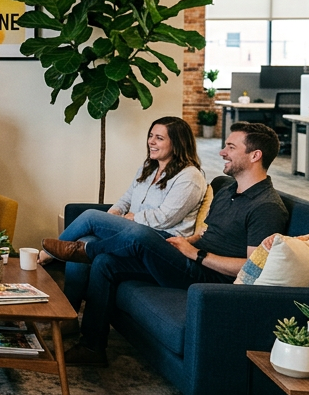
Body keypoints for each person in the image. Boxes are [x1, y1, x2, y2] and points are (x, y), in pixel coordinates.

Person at [65, 122, 289, 366]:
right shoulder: (227, 189)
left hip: (210, 281)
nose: (222, 152)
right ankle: (91, 347)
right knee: (106, 263)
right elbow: (208, 232)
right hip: (191, 260)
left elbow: (252, 267)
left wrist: (197, 254)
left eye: (230, 147)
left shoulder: (266, 207)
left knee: (140, 235)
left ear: (255, 155)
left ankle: (84, 250)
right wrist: (187, 241)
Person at [40, 116, 206, 268]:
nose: (151, 142)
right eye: (151, 136)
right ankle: (70, 300)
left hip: (161, 238)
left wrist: (132, 218)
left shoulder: (189, 177)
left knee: (90, 216)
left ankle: (46, 255)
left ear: (178, 143)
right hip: (134, 228)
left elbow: (165, 218)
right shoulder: (148, 168)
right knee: (85, 242)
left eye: (159, 138)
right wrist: (114, 212)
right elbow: (128, 197)